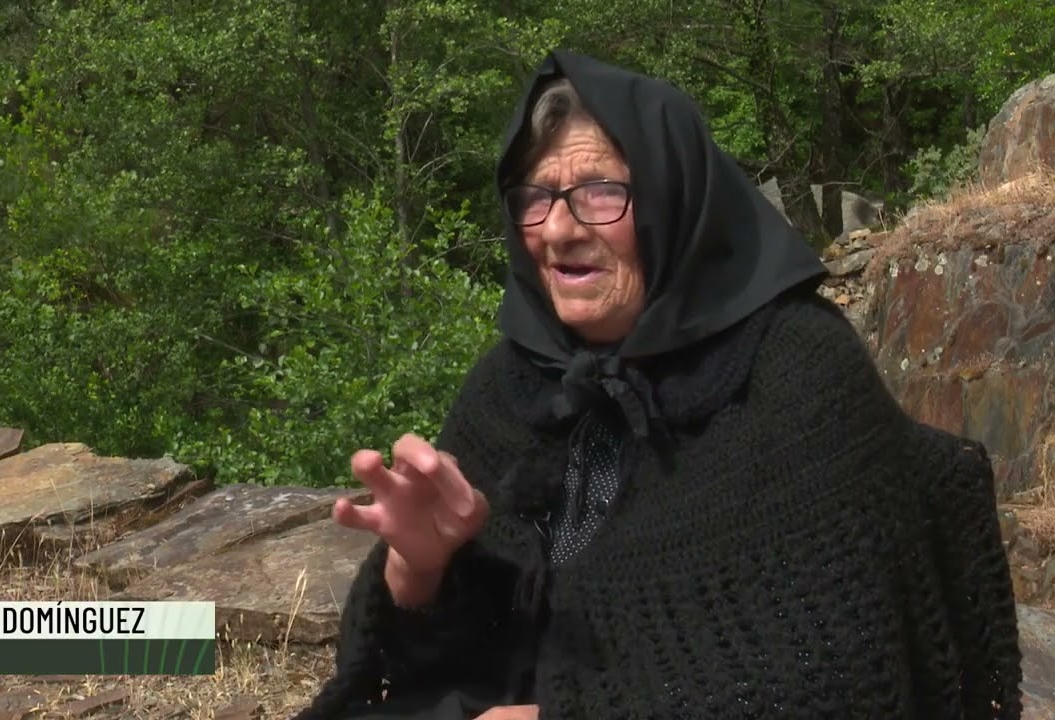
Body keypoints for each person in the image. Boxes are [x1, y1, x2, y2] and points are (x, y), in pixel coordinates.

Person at [292, 49, 1023, 720]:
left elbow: (831, 679)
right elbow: (443, 663)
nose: (558, 229)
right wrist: (419, 568)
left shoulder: (796, 370)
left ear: (676, 200)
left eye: (600, 192)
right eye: (536, 199)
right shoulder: (511, 388)